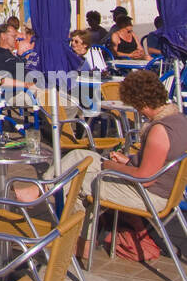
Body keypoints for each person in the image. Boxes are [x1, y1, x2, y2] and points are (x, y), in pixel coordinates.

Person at [15, 72, 187, 246]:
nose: (135, 109)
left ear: (140, 102)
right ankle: (42, 188)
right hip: (160, 189)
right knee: (81, 155)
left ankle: (79, 243)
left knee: (79, 182)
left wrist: (112, 166)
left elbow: (146, 178)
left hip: (150, 196)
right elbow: (159, 164)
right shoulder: (178, 120)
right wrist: (127, 162)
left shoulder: (159, 131)